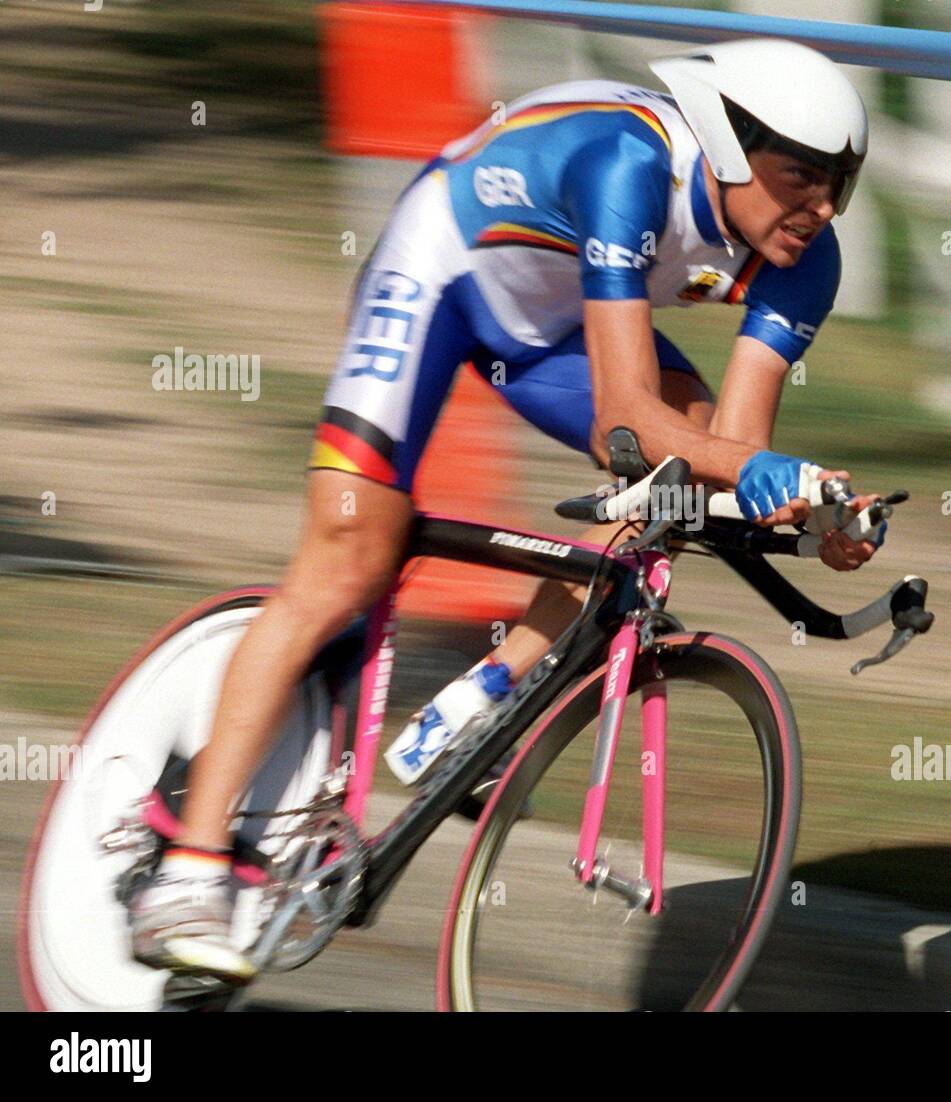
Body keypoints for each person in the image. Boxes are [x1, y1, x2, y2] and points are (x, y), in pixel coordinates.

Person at [130, 37, 882, 983]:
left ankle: (485, 691)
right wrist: (756, 468)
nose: (820, 208)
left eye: (839, 186)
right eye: (801, 177)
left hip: (551, 326)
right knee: (351, 554)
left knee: (678, 501)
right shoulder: (631, 164)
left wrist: (818, 512)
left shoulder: (807, 260)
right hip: (440, 272)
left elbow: (730, 449)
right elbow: (625, 417)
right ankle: (187, 874)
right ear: (730, 150)